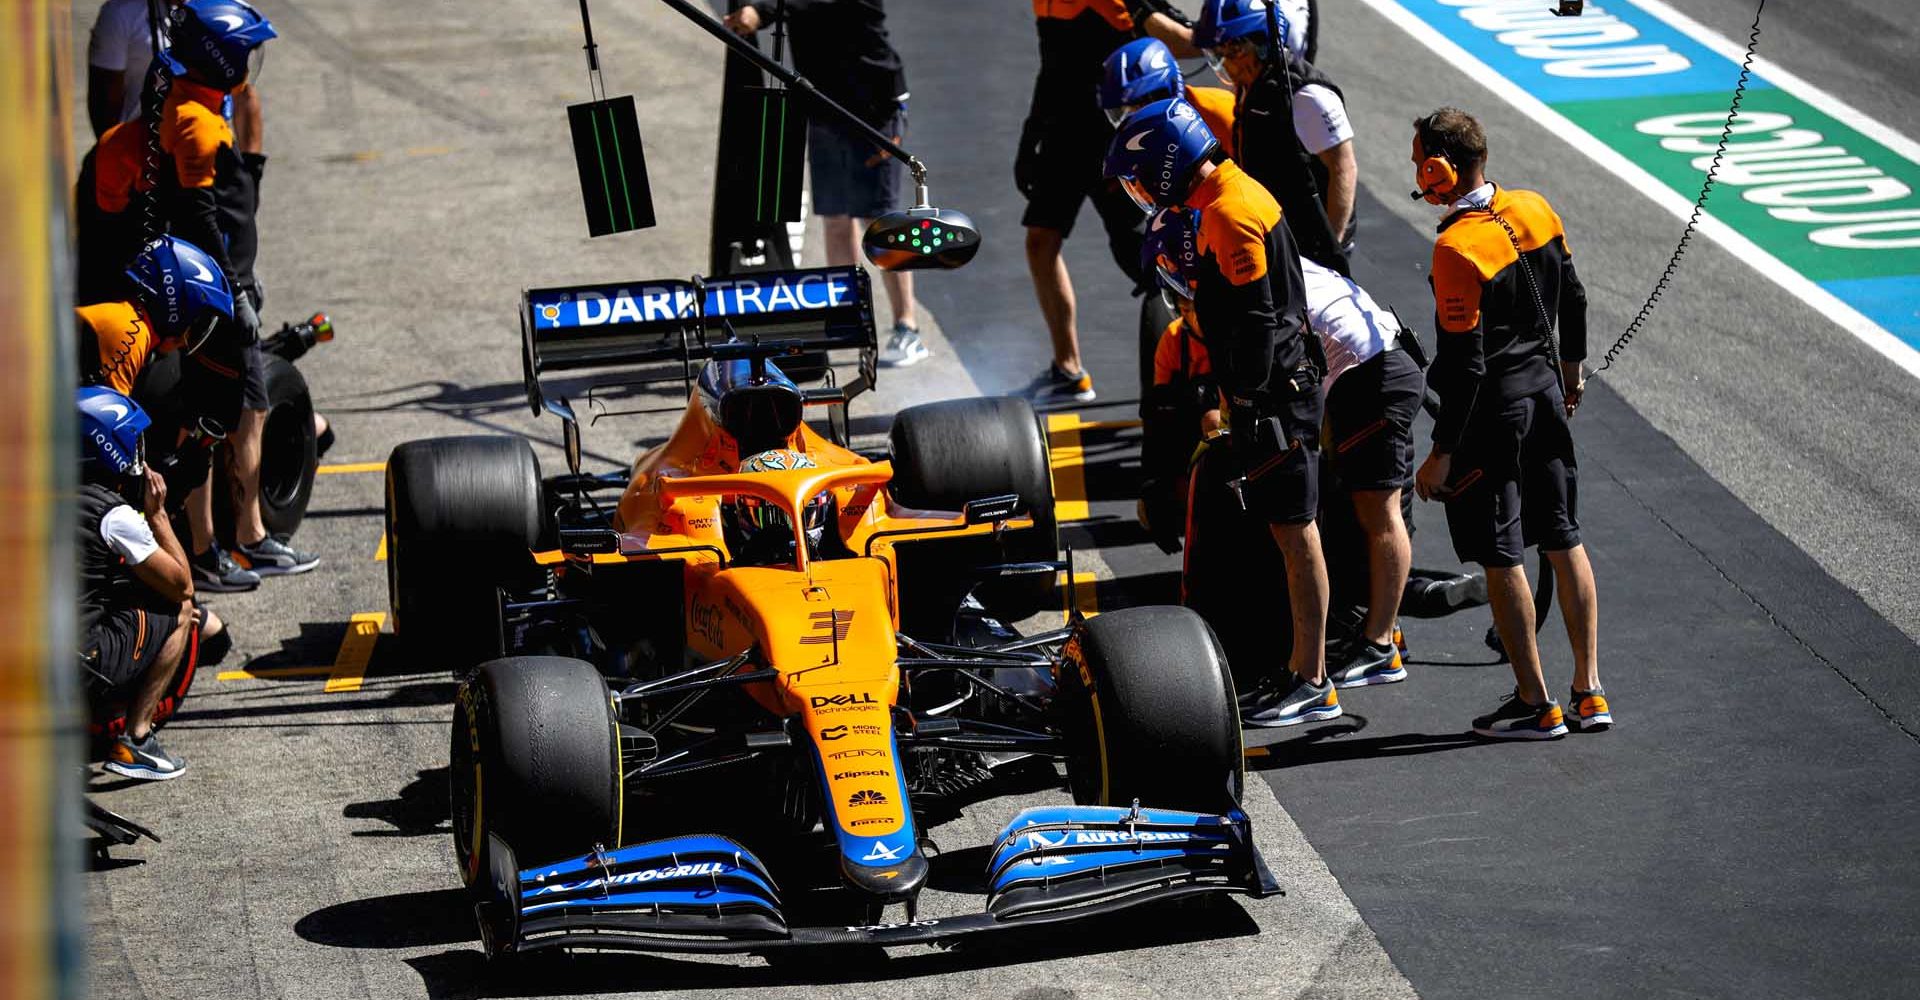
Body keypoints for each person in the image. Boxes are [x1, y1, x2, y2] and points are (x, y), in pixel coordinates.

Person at [1107, 98, 1335, 728]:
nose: (1138, 191)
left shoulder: (1230, 210)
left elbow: (1258, 318)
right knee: (1288, 538)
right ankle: (1299, 669)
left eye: (1137, 177)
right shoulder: (1221, 197)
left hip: (1277, 400)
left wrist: (1248, 398)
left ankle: (1311, 679)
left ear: (1165, 163)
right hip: (1277, 394)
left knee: (1296, 537)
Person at [1140, 205, 1423, 688]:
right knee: (1358, 511)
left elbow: (1274, 371)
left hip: (1366, 378)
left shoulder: (1245, 284)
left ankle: (1375, 645)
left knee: (1371, 515)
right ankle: (1369, 634)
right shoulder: (1255, 255)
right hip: (1361, 374)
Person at [1406, 107, 1606, 739]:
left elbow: (1464, 370)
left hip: (1494, 417)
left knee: (1500, 554)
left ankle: (1535, 702)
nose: (1416, 171)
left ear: (1442, 167)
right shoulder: (1536, 208)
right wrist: (1569, 375)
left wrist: (1440, 453)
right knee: (1562, 536)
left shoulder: (1455, 247)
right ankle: (1589, 691)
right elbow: (1572, 299)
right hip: (1547, 395)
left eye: (1420, 161)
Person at [722, 0, 928, 367]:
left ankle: (906, 327)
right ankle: (846, 316)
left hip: (873, 106)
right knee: (835, 219)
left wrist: (761, 11)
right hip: (823, 104)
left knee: (879, 221)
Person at [77, 386, 229, 781]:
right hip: (76, 659)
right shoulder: (113, 516)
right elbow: (182, 587)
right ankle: (136, 740)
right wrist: (158, 516)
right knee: (179, 610)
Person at [1014, 0, 1148, 404]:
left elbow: (1147, 49)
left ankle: (1201, 356)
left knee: (1143, 254)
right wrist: (1030, 133)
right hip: (1062, 134)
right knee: (1040, 241)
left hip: (1107, 133)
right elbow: (1052, 65)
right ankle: (1068, 370)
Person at [1194, 0, 1355, 275]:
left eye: (1226, 53)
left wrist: (1332, 252)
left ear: (1250, 46)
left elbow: (1343, 169)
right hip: (1278, 241)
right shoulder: (1251, 86)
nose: (1222, 64)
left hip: (1311, 253)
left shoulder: (1307, 97)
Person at [1099, 37, 1236, 154]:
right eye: (1120, 113)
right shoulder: (1138, 143)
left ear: (1163, 93)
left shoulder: (1222, 113)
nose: (1131, 122)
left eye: (1139, 107)